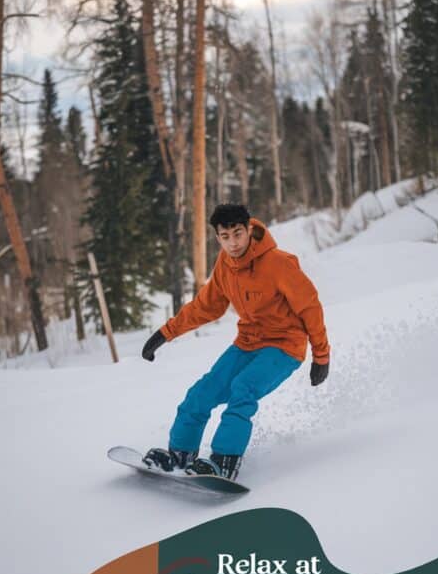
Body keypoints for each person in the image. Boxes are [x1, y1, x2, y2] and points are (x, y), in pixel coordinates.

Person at [141, 203, 330, 481]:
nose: (233, 243)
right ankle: (180, 455)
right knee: (202, 392)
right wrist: (165, 333)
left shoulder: (279, 263)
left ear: (249, 229)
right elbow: (206, 307)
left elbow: (309, 307)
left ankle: (224, 462)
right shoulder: (225, 265)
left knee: (243, 388)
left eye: (238, 234)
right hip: (248, 343)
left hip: (284, 345)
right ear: (217, 237)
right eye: (225, 237)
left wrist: (321, 356)